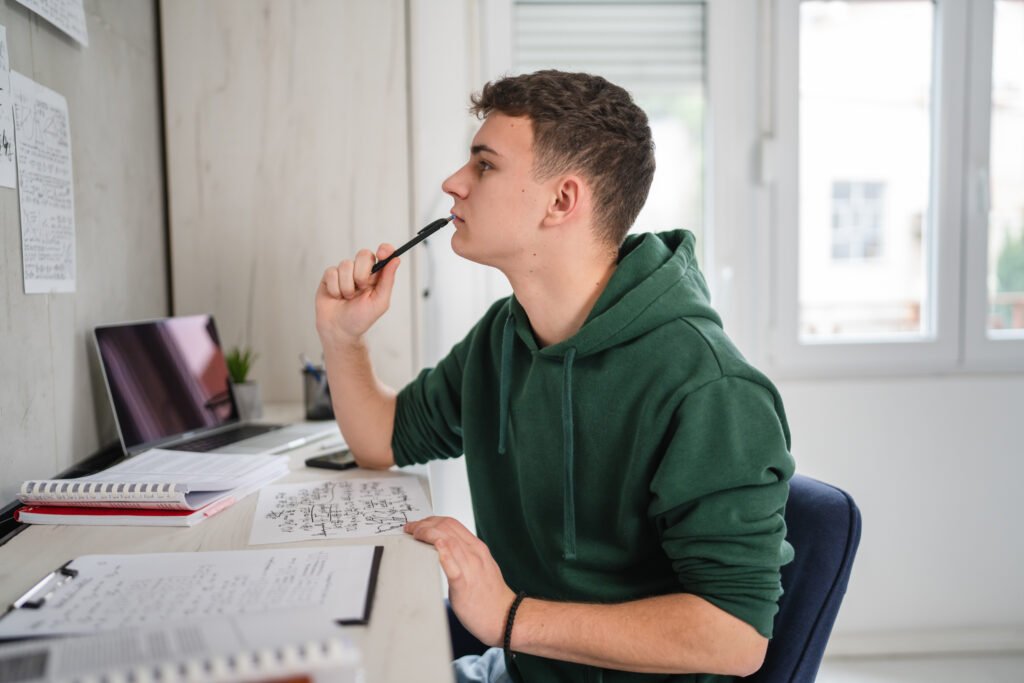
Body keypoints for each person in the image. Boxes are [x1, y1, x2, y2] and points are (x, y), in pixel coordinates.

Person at [315, 70, 795, 683]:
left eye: (484, 166)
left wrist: (510, 617)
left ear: (562, 201)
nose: (453, 184)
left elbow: (734, 636)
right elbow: (381, 438)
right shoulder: (505, 336)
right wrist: (342, 337)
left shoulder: (710, 388)